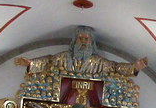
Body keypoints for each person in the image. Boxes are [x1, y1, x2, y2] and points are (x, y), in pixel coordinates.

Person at [15, 26, 148, 79]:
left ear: (91, 42)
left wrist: (133, 67)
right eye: (81, 39)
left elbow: (115, 67)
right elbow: (48, 61)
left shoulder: (99, 62)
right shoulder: (61, 58)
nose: (84, 41)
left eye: (86, 39)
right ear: (74, 41)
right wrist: (31, 63)